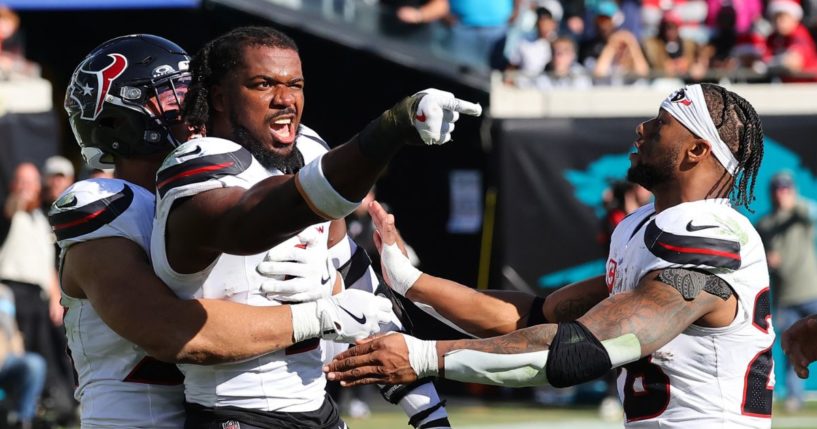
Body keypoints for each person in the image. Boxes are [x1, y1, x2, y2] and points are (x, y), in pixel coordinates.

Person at [52, 33, 453, 428]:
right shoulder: (104, 208)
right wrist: (321, 314)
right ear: (117, 119)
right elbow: (174, 333)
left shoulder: (227, 175)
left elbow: (355, 296)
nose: (194, 103)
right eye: (172, 93)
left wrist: (423, 408)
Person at [326, 83, 774, 428]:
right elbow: (539, 317)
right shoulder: (640, 228)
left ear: (697, 150)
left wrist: (425, 357)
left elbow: (582, 348)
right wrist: (411, 281)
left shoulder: (709, 241)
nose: (642, 128)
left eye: (661, 124)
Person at [152, 26, 479, 428]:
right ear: (219, 97)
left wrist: (427, 411)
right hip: (234, 410)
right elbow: (255, 219)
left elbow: (357, 282)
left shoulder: (308, 149)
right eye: (263, 84)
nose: (285, 99)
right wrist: (389, 131)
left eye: (295, 85)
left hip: (318, 408)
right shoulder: (195, 164)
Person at [756, 171, 817, 412]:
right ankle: (794, 397)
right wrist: (767, 259)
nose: (782, 194)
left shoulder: (801, 213)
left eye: (786, 189)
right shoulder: (764, 224)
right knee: (792, 349)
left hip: (811, 292)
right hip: (784, 298)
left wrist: (795, 203)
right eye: (778, 189)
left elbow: (813, 212)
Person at [0, 283, 46, 429]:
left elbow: (11, 330)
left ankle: (21, 420)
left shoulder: (5, 293)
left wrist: (17, 346)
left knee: (35, 364)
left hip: (6, 359)